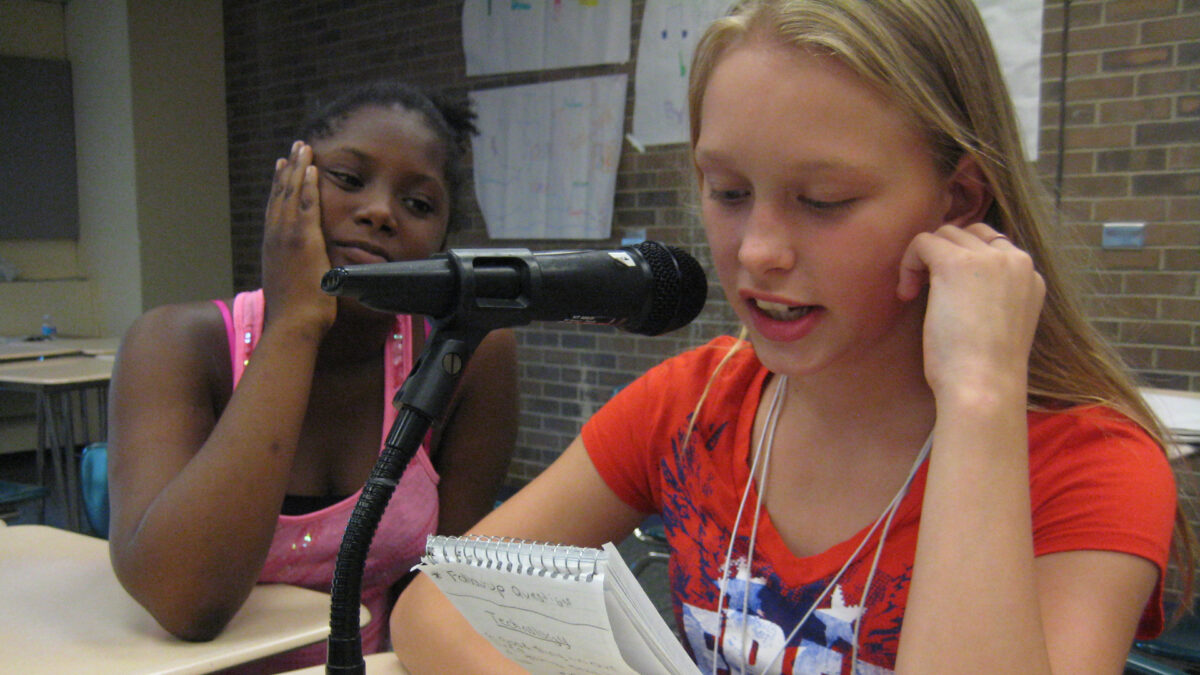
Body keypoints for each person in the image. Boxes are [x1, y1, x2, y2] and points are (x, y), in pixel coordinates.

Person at [389, 1, 1196, 673]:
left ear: (956, 205)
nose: (757, 250)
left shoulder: (1090, 464)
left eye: (824, 199)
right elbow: (438, 601)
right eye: (729, 191)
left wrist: (981, 394)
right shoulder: (697, 402)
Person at [106, 81, 518, 671]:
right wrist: (295, 322)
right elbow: (187, 602)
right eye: (348, 179)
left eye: (418, 204)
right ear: (287, 185)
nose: (380, 212)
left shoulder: (469, 357)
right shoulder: (174, 344)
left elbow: (447, 595)